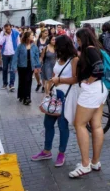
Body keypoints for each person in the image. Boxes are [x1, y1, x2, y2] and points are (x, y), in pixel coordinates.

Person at [31, 35, 79, 167]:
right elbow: (54, 74)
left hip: (66, 95)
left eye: (57, 45)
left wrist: (60, 80)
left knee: (63, 125)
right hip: (55, 93)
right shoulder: (59, 58)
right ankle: (47, 150)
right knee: (48, 122)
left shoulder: (74, 59)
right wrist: (49, 88)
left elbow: (76, 79)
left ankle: (61, 153)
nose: (55, 47)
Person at [69, 28, 108, 179]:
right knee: (96, 125)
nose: (77, 42)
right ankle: (95, 162)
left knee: (79, 124)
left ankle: (85, 164)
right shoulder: (96, 48)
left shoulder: (89, 50)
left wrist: (88, 81)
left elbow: (98, 68)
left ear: (82, 39)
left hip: (92, 90)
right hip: (100, 89)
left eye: (78, 40)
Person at [13, 31, 41, 104]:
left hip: (30, 66)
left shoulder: (34, 46)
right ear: (27, 37)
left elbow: (37, 57)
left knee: (28, 81)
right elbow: (16, 56)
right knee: (22, 81)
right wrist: (14, 66)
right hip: (21, 66)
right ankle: (21, 95)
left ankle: (27, 98)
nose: (33, 36)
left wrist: (37, 66)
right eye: (32, 35)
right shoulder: (20, 46)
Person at [0, 23, 19, 92]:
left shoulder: (16, 33)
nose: (8, 30)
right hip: (5, 53)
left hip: (13, 53)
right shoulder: (2, 33)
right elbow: (0, 43)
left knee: (12, 69)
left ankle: (11, 84)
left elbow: (18, 43)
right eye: (6, 29)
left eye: (9, 29)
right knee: (4, 69)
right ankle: (5, 83)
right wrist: (5, 35)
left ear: (11, 27)